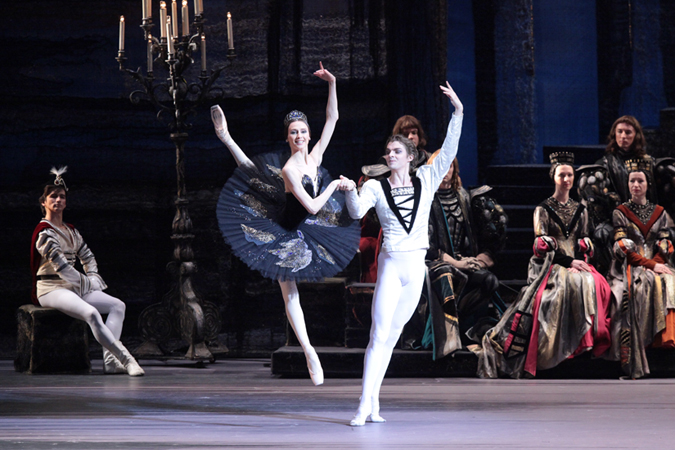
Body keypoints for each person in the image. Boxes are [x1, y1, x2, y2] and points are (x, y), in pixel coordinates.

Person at [212, 62, 360, 386]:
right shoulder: (292, 169)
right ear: (288, 138)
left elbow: (333, 118)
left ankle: (226, 137)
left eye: (303, 131)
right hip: (282, 229)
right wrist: (336, 185)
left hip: (301, 222)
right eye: (293, 132)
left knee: (257, 176)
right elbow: (309, 206)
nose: (300, 136)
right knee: (290, 293)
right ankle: (309, 351)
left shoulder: (315, 157)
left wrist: (332, 82)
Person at [340, 82, 463, 426]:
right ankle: (364, 404)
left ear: (410, 156)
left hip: (416, 268)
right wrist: (352, 190)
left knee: (392, 336)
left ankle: (375, 402)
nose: (390, 155)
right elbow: (354, 212)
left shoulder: (426, 177)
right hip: (392, 265)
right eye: (388, 152)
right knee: (378, 334)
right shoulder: (376, 186)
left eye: (397, 151)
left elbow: (450, 148)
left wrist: (459, 111)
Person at [478, 152, 612, 379]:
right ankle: (561, 347)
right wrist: (568, 260)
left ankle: (586, 340)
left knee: (596, 282)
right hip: (551, 265)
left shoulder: (581, 209)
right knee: (565, 288)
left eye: (570, 175)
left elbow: (582, 238)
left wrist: (584, 245)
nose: (567, 180)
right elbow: (541, 244)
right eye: (562, 175)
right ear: (554, 177)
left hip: (574, 261)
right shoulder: (543, 209)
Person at [30, 167, 144, 376]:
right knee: (91, 313)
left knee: (118, 306)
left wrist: (91, 277)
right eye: (53, 196)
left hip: (74, 286)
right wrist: (85, 283)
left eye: (62, 196)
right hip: (51, 289)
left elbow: (88, 256)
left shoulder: (71, 231)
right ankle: (126, 359)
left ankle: (110, 362)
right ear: (43, 202)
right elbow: (62, 267)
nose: (58, 200)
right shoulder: (44, 233)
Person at [406, 153, 507, 358]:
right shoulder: (423, 198)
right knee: (446, 275)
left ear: (454, 168)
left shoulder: (465, 197)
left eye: (449, 165)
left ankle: (469, 330)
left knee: (489, 280)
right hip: (433, 263)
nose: (445, 171)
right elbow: (426, 246)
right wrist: (456, 263)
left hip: (462, 260)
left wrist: (478, 260)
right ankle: (445, 338)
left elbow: (489, 237)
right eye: (440, 165)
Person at [608, 159, 675, 379]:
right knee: (633, 292)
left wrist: (657, 262)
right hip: (629, 266)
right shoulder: (620, 212)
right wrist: (651, 265)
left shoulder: (660, 212)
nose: (636, 185)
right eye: (632, 181)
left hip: (656, 263)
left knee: (670, 282)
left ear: (647, 184)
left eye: (640, 180)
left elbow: (665, 242)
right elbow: (623, 248)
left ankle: (665, 341)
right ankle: (634, 357)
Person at [578, 116, 657, 273]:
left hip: (647, 217)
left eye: (628, 132)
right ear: (614, 134)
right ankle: (613, 275)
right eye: (619, 132)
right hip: (615, 219)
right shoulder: (604, 163)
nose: (623, 136)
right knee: (602, 233)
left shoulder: (649, 163)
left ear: (636, 135)